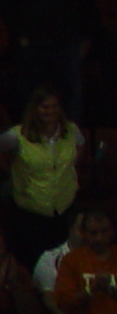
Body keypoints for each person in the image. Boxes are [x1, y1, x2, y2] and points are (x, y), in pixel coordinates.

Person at [0, 85, 82, 266]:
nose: (50, 111)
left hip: (64, 210)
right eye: (44, 107)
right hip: (31, 214)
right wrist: (8, 171)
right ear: (35, 109)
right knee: (33, 264)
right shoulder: (17, 135)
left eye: (54, 106)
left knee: (64, 264)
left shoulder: (71, 131)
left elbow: (80, 149)